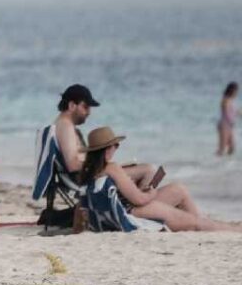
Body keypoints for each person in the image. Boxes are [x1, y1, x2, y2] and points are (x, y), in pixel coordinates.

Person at [80, 126, 241, 232]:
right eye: (116, 146)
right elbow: (140, 199)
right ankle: (230, 229)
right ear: (108, 149)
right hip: (133, 213)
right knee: (194, 222)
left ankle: (209, 224)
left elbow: (85, 208)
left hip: (121, 212)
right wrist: (150, 192)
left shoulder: (89, 172)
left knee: (179, 190)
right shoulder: (112, 168)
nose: (116, 149)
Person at [52, 84, 156, 189]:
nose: (89, 112)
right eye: (85, 107)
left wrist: (104, 165)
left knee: (140, 170)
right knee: (149, 170)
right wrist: (106, 168)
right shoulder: (66, 126)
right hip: (87, 179)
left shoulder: (62, 124)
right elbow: (73, 165)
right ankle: (140, 202)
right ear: (72, 105)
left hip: (89, 175)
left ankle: (138, 198)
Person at [218, 82, 237, 156]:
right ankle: (213, 163)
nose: (236, 93)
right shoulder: (225, 99)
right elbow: (225, 112)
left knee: (232, 148)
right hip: (224, 125)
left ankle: (226, 164)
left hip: (229, 125)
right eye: (236, 91)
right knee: (222, 148)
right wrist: (231, 121)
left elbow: (234, 111)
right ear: (232, 90)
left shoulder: (231, 100)